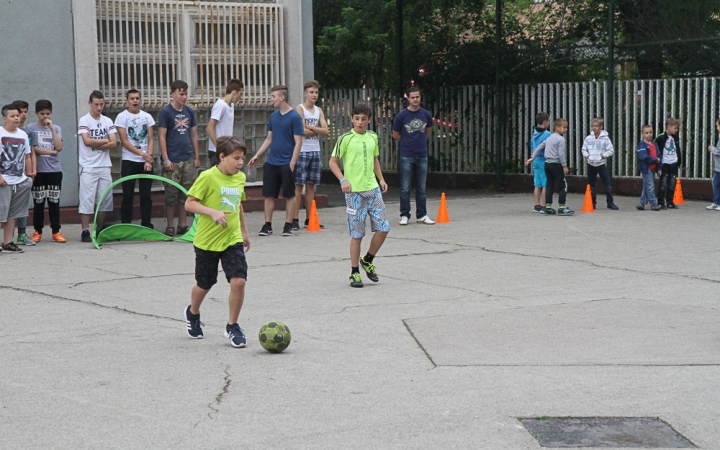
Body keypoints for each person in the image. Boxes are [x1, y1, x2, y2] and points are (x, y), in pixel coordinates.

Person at [184, 136, 250, 347]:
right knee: (205, 284)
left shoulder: (240, 178)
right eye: (236, 158)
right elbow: (189, 203)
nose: (240, 163)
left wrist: (245, 232)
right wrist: (212, 212)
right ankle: (193, 313)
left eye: (242, 158)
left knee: (238, 280)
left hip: (232, 238)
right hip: (207, 241)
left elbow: (238, 204)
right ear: (222, 157)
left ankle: (232, 326)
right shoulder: (207, 177)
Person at [328, 103, 390, 288]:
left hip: (373, 189)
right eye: (357, 119)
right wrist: (342, 180)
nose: (360, 122)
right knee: (358, 234)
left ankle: (368, 259)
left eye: (364, 119)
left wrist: (381, 179)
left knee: (383, 228)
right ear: (352, 119)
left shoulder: (372, 137)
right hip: (354, 192)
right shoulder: (345, 138)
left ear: (369, 120)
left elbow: (374, 159)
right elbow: (332, 162)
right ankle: (354, 272)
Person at [247, 85, 303, 237]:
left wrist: (292, 162)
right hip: (272, 161)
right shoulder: (273, 117)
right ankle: (268, 224)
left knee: (289, 194)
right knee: (268, 194)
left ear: (282, 98)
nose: (271, 99)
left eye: (273, 97)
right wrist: (257, 155)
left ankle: (288, 224)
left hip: (287, 161)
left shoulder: (295, 117)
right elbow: (269, 139)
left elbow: (298, 142)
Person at [158, 80, 200, 237]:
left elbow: (194, 135)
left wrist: (196, 156)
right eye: (181, 94)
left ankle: (182, 225)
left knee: (186, 193)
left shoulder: (189, 112)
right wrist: (166, 159)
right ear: (173, 94)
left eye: (185, 94)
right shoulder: (166, 112)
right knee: (171, 194)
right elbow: (162, 137)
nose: (184, 97)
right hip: (173, 159)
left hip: (188, 158)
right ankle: (170, 225)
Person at [77, 90, 117, 242]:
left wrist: (98, 141)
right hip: (88, 166)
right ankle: (85, 230)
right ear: (90, 103)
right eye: (96, 104)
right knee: (87, 199)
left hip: (104, 165)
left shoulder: (107, 121)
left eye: (101, 104)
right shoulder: (84, 120)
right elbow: (87, 142)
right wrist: (104, 141)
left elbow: (113, 143)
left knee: (104, 199)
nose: (99, 107)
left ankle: (99, 229)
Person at [25, 99, 66, 242]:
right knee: (39, 202)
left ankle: (56, 231)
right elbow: (30, 148)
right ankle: (37, 231)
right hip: (39, 170)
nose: (45, 117)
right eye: (42, 114)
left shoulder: (57, 128)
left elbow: (59, 147)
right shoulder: (31, 128)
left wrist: (52, 129)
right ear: (36, 113)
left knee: (54, 201)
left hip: (54, 170)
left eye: (48, 113)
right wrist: (50, 152)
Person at [392, 87, 435, 225]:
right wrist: (407, 143)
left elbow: (428, 132)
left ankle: (422, 215)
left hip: (422, 155)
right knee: (405, 187)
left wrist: (420, 143)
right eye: (413, 97)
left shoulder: (426, 114)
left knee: (421, 188)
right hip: (407, 155)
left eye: (417, 97)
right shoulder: (402, 115)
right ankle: (404, 214)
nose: (415, 100)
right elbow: (396, 134)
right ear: (408, 99)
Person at [291, 80, 329, 230]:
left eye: (316, 92)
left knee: (311, 185)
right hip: (302, 151)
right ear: (305, 93)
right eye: (311, 92)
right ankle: (294, 218)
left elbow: (326, 131)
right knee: (298, 186)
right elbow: (301, 130)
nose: (314, 95)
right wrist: (317, 129)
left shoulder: (319, 110)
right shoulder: (299, 109)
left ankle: (309, 217)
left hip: (315, 150)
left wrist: (311, 127)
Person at [115, 89, 156, 229]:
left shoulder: (147, 117)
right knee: (128, 195)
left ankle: (146, 224)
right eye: (132, 98)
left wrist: (148, 159)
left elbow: (151, 139)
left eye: (137, 98)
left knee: (146, 195)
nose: (135, 101)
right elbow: (124, 141)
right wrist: (142, 154)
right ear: (127, 101)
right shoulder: (122, 117)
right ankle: (126, 225)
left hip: (145, 161)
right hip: (129, 161)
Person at [0, 104, 33, 253]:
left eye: (17, 116)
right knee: (1, 214)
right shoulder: (0, 133)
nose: (16, 119)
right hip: (4, 180)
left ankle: (8, 242)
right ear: (4, 118)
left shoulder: (22, 134)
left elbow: (27, 156)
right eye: (12, 116)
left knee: (12, 214)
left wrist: (29, 174)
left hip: (19, 180)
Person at [525, 118, 574, 216]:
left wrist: (532, 157)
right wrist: (564, 166)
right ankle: (561, 207)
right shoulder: (561, 139)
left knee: (549, 185)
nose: (566, 129)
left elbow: (539, 147)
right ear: (557, 128)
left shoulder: (549, 137)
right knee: (562, 185)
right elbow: (560, 154)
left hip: (547, 164)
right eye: (564, 127)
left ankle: (548, 207)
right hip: (556, 164)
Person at [12, 100, 36, 246]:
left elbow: (30, 152)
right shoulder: (7, 132)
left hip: (23, 174)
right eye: (20, 112)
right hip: (9, 174)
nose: (23, 115)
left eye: (25, 112)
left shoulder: (27, 132)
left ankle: (22, 234)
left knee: (23, 205)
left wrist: (31, 170)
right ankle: (8, 237)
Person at [581, 117, 619, 210]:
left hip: (601, 164)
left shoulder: (605, 138)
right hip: (591, 164)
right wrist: (587, 156)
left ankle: (610, 203)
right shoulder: (588, 138)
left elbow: (611, 150)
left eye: (596, 126)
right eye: (592, 126)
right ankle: (592, 202)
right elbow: (583, 149)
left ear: (601, 127)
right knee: (591, 185)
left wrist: (603, 156)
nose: (594, 128)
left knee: (607, 184)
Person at [206, 79, 244, 166]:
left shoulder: (231, 105)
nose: (240, 97)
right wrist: (218, 146)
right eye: (240, 94)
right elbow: (209, 127)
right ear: (234, 92)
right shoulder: (220, 105)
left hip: (227, 149)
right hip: (218, 151)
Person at [654, 117, 683, 209]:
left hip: (673, 163)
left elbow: (677, 149)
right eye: (675, 128)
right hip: (665, 163)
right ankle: (661, 202)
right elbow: (654, 147)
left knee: (672, 183)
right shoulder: (661, 137)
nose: (677, 130)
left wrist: (679, 161)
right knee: (663, 183)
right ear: (668, 127)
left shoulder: (675, 137)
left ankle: (670, 201)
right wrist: (657, 162)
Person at [636, 124, 661, 211]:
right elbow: (643, 157)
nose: (649, 134)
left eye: (650, 132)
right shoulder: (642, 145)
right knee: (650, 186)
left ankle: (642, 203)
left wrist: (659, 168)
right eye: (646, 133)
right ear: (642, 134)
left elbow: (659, 156)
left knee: (646, 185)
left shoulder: (654, 144)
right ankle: (653, 203)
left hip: (653, 168)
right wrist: (655, 160)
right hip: (646, 169)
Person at [530, 112, 551, 213]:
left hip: (536, 160)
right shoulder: (547, 134)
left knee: (537, 184)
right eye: (549, 121)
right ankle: (544, 206)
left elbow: (531, 145)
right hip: (544, 160)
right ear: (545, 122)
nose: (549, 123)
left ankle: (537, 205)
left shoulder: (535, 133)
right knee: (545, 184)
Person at [707, 119, 720, 211]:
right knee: (715, 183)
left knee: (715, 183)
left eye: (717, 126)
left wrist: (712, 149)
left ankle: (716, 202)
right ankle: (716, 202)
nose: (717, 128)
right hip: (718, 167)